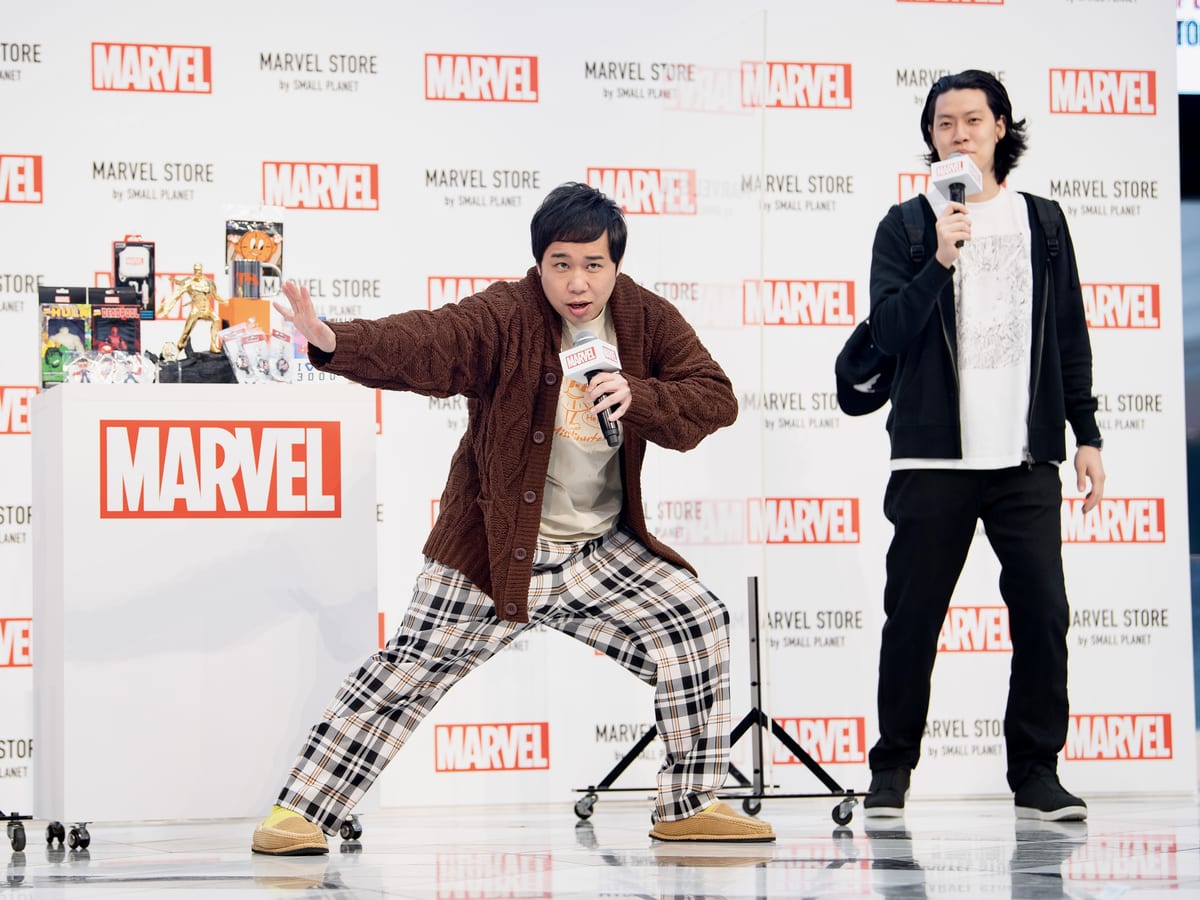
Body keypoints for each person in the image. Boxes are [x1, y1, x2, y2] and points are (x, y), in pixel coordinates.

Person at [250, 182, 775, 855]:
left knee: (695, 623)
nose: (578, 282)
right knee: (408, 671)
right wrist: (334, 341)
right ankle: (300, 812)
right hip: (498, 547)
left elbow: (714, 397)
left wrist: (638, 394)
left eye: (593, 264)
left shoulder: (646, 318)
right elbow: (430, 342)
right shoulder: (507, 315)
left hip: (597, 550)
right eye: (561, 264)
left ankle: (688, 804)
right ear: (539, 265)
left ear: (616, 265)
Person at [863, 71, 1104, 822]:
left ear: (1001, 127)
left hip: (1025, 459)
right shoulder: (907, 226)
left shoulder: (1044, 222)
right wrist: (939, 258)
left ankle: (1035, 773)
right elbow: (887, 334)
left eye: (973, 119)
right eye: (945, 123)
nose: (959, 133)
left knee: (1044, 615)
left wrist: (1087, 433)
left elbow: (1068, 333)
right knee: (913, 619)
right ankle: (891, 770)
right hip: (933, 461)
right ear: (931, 138)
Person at [158, 263, 224, 354]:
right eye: (196, 270)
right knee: (185, 333)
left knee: (216, 319)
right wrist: (166, 308)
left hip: (207, 310)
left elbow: (215, 295)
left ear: (201, 270)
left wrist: (225, 302)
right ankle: (177, 351)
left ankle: (213, 345)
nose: (198, 272)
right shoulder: (190, 283)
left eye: (199, 270)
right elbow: (176, 295)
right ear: (194, 271)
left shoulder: (208, 282)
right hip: (196, 311)